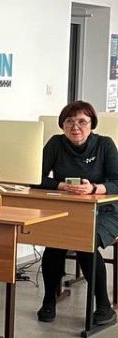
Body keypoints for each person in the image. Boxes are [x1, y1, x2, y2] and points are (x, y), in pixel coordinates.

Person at [36, 101, 118, 326]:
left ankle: (104, 306)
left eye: (82, 121)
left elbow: (117, 181)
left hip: (105, 210)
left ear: (91, 124)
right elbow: (34, 177)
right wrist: (62, 186)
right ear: (62, 125)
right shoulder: (56, 143)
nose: (75, 126)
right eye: (69, 121)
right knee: (54, 242)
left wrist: (94, 188)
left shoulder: (105, 145)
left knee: (84, 242)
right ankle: (49, 300)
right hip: (68, 210)